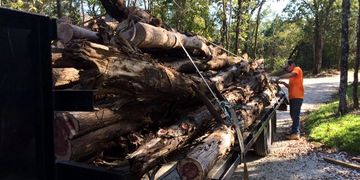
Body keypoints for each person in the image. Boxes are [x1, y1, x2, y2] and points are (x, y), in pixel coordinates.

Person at [275, 60, 304, 140]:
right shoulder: (292, 78)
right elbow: (291, 87)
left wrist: (280, 76)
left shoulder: (297, 69)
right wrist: (284, 83)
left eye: (287, 67)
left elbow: (291, 74)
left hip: (297, 97)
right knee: (292, 114)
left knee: (295, 115)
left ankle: (296, 133)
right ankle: (294, 131)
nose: (287, 69)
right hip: (293, 97)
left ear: (292, 65)